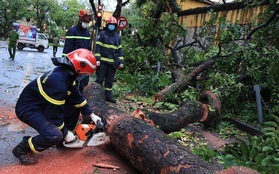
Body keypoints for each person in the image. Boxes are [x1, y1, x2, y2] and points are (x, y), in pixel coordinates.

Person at [12, 48, 104, 165]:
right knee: (53, 135)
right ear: (78, 69)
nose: (85, 76)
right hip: (28, 109)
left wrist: (91, 114)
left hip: (42, 105)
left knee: (73, 106)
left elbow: (77, 97)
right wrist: (65, 132)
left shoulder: (67, 75)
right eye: (85, 74)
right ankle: (22, 149)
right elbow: (54, 115)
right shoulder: (57, 83)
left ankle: (62, 141)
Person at [95, 16, 124, 103]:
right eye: (110, 24)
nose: (112, 26)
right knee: (99, 80)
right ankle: (96, 96)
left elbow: (120, 50)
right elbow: (98, 48)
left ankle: (108, 97)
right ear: (107, 25)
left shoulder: (117, 37)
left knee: (109, 81)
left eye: (113, 25)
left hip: (112, 64)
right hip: (102, 63)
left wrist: (121, 62)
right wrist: (97, 59)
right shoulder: (103, 34)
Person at [62, 9, 92, 93]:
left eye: (88, 22)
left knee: (84, 84)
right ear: (80, 19)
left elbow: (88, 48)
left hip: (84, 63)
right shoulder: (72, 31)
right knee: (72, 84)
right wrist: (65, 63)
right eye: (85, 21)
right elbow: (67, 48)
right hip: (74, 63)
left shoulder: (87, 32)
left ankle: (80, 102)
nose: (86, 24)